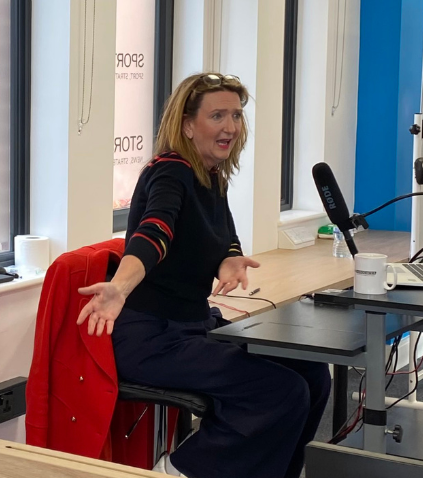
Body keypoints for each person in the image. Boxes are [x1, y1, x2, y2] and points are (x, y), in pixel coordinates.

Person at [76, 72, 331, 478]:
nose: (230, 126)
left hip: (191, 327)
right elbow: (155, 232)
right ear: (188, 125)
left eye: (236, 115)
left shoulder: (210, 173)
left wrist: (228, 260)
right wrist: (120, 287)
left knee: (312, 374)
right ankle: (180, 470)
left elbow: (223, 233)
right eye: (217, 116)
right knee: (281, 391)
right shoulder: (171, 172)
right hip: (150, 338)